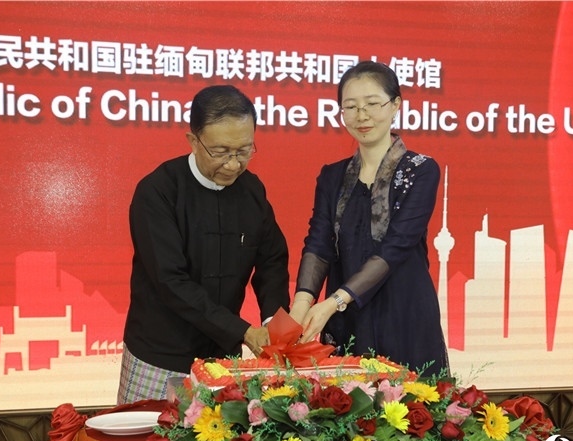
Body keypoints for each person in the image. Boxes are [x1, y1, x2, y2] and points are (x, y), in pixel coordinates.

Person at [118, 85, 290, 404]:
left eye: (244, 150)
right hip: (160, 355)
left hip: (221, 358)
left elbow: (272, 261)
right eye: (221, 152)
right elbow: (171, 281)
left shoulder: (252, 191)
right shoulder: (158, 192)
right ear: (193, 141)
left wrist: (274, 323)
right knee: (148, 436)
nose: (233, 164)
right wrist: (244, 332)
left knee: (216, 435)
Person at [290, 61, 448, 376]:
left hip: (403, 312)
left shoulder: (421, 170)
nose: (361, 116)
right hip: (347, 318)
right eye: (350, 107)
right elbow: (319, 244)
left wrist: (333, 302)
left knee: (410, 403)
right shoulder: (332, 176)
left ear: (396, 105)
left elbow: (396, 245)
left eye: (372, 104)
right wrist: (301, 307)